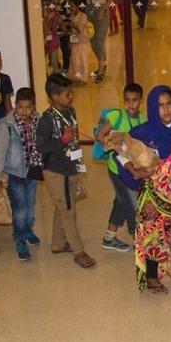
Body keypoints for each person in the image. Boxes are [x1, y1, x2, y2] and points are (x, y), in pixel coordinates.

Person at [121, 85, 171, 293]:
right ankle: (151, 276)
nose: (166, 109)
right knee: (153, 233)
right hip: (154, 193)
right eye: (160, 106)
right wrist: (133, 170)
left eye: (169, 104)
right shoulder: (143, 132)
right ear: (153, 108)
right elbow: (120, 150)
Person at [36, 73, 97, 269]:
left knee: (63, 206)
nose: (71, 97)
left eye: (71, 93)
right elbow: (40, 147)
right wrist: (61, 140)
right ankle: (79, 251)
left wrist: (78, 161)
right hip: (55, 171)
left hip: (70, 167)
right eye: (67, 94)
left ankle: (58, 242)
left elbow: (75, 138)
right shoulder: (46, 120)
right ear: (54, 97)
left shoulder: (70, 112)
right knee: (68, 211)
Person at [0, 88, 43, 262]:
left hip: (32, 172)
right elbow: (0, 152)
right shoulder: (6, 126)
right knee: (19, 209)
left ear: (33, 107)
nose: (24, 111)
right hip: (14, 174)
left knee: (29, 205)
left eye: (28, 107)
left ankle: (28, 230)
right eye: (20, 107)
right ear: (15, 106)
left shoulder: (38, 120)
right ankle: (19, 238)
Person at [95, 82, 146, 252]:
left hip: (133, 169)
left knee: (121, 201)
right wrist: (113, 145)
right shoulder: (117, 116)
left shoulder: (143, 119)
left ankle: (109, 238)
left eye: (135, 101)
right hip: (117, 170)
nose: (131, 105)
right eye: (127, 101)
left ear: (141, 101)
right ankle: (138, 240)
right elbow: (100, 135)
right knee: (131, 203)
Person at [83, 0, 112, 84]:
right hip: (90, 10)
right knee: (93, 41)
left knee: (99, 40)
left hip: (101, 10)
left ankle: (101, 69)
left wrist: (103, 10)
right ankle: (102, 63)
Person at [67, 0, 91, 84]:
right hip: (75, 42)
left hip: (83, 42)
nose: (70, 8)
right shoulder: (72, 16)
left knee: (83, 60)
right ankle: (77, 77)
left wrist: (71, 25)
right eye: (69, 6)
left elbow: (79, 29)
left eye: (72, 6)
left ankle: (84, 78)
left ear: (77, 6)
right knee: (74, 60)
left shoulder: (83, 16)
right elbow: (72, 32)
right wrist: (71, 41)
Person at [44, 0, 62, 75]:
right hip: (43, 39)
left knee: (54, 61)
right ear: (48, 2)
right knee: (43, 61)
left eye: (57, 3)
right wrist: (47, 19)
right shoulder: (43, 12)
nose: (54, 5)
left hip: (53, 39)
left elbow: (60, 24)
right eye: (53, 3)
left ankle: (55, 79)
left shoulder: (56, 14)